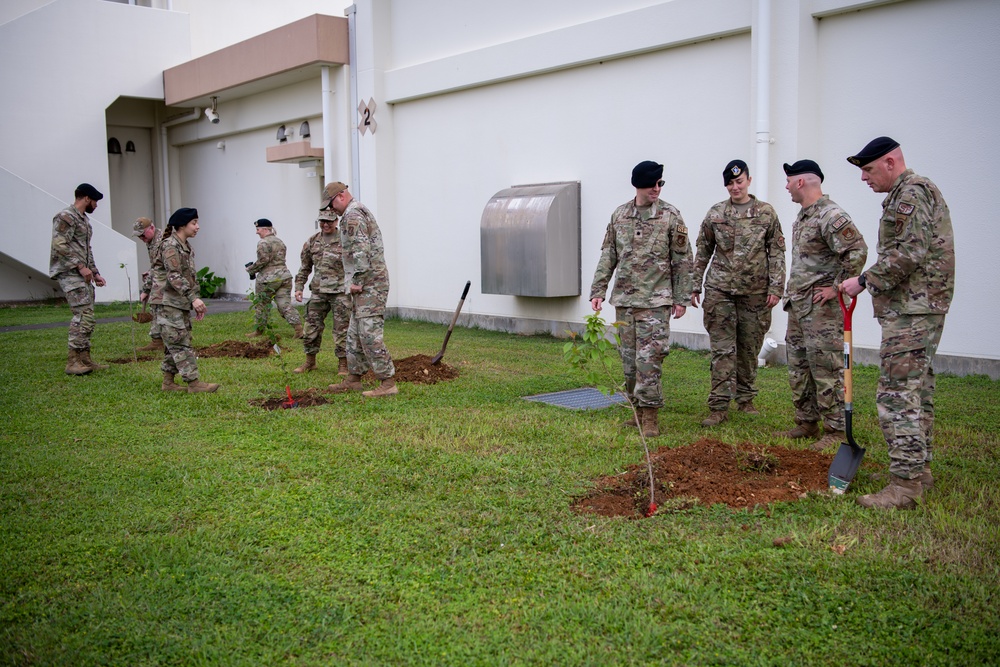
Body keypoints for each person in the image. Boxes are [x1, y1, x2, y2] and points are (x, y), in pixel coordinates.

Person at [840, 137, 955, 510]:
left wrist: (864, 280)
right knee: (917, 392)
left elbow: (909, 251)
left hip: (913, 309)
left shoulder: (913, 193)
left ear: (891, 162)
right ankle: (918, 472)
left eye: (869, 169)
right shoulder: (909, 193)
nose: (863, 178)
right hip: (918, 307)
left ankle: (904, 487)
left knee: (897, 394)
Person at [589, 160, 693, 437]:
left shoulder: (671, 216)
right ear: (638, 185)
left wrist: (682, 298)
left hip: (656, 302)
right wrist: (598, 290)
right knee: (629, 360)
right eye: (651, 185)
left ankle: (650, 417)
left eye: (660, 184)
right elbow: (608, 255)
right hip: (625, 301)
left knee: (650, 359)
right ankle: (635, 410)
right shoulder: (619, 215)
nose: (656, 189)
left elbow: (682, 260)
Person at [776, 160, 868, 450]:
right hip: (800, 306)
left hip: (822, 311)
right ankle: (806, 422)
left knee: (826, 368)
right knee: (800, 367)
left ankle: (836, 431)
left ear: (801, 182)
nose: (787, 186)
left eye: (789, 180)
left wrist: (836, 287)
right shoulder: (803, 217)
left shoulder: (831, 215)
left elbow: (856, 251)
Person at [691, 160, 785, 426]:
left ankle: (745, 399)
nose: (735, 187)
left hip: (755, 293)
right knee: (722, 349)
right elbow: (703, 251)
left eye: (739, 181)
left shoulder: (766, 213)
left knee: (748, 348)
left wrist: (776, 287)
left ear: (749, 180)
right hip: (720, 290)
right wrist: (694, 284)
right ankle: (718, 406)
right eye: (730, 183)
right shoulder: (716, 213)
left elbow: (776, 252)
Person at [324, 182, 398, 397]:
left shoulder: (353, 215)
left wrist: (357, 279)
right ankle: (354, 379)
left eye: (331, 204)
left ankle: (388, 382)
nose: (331, 210)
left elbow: (361, 250)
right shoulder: (354, 212)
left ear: (340, 196)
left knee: (368, 333)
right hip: (366, 284)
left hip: (370, 285)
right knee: (354, 333)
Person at [148, 207, 219, 393]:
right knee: (179, 342)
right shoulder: (170, 246)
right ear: (182, 225)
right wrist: (194, 299)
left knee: (178, 340)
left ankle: (168, 383)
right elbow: (174, 277)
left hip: (178, 302)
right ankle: (194, 383)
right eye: (194, 223)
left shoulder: (185, 246)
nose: (198, 227)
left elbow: (188, 277)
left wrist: (192, 302)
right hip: (167, 302)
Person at [49, 183, 109, 375]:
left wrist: (95, 272)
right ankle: (72, 361)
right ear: (86, 198)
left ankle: (84, 359)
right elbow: (59, 244)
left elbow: (86, 250)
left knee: (88, 314)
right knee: (83, 315)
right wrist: (80, 267)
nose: (96, 206)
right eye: (95, 201)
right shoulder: (65, 216)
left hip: (82, 274)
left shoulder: (84, 221)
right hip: (69, 272)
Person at [293, 209, 351, 374]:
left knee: (342, 329)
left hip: (340, 292)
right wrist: (299, 287)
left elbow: (357, 265)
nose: (325, 224)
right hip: (318, 291)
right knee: (311, 327)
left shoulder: (346, 240)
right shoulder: (312, 242)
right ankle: (310, 362)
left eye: (329, 221)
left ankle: (343, 364)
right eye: (322, 221)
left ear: (336, 221)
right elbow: (305, 267)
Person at [245, 218, 303, 339]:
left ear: (265, 229)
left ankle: (259, 331)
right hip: (284, 277)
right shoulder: (280, 242)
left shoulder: (263, 243)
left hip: (268, 279)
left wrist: (251, 269)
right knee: (284, 305)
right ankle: (299, 329)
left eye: (258, 229)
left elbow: (263, 260)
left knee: (262, 305)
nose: (257, 232)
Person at [133, 216, 164, 352]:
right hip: (159, 278)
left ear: (151, 228)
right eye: (139, 236)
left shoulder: (162, 241)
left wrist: (146, 289)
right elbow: (155, 266)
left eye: (142, 234)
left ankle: (171, 340)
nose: (141, 238)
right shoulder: (150, 241)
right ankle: (157, 341)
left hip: (167, 280)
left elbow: (158, 267)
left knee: (162, 308)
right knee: (156, 308)